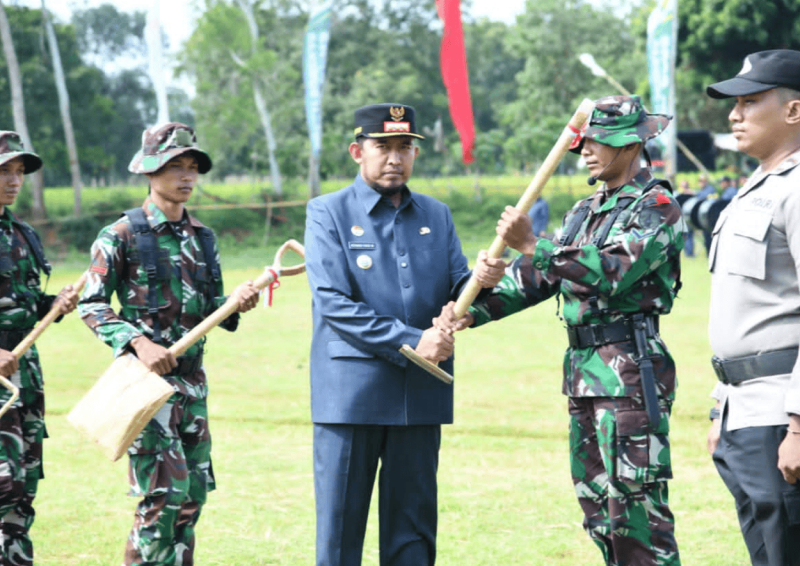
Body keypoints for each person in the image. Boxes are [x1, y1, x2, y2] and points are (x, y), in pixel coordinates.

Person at [436, 95, 685, 566]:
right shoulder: (583, 210)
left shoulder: (656, 206)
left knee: (637, 515)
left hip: (629, 373)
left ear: (632, 144)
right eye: (583, 143)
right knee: (599, 514)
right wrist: (475, 311)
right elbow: (536, 278)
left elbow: (613, 270)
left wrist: (533, 243)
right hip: (584, 375)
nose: (586, 151)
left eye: (598, 142)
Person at [305, 103, 500, 566]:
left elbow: (456, 288)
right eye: (383, 146)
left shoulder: (436, 212)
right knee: (339, 536)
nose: (395, 157)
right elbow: (334, 304)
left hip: (420, 394)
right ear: (358, 151)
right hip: (352, 395)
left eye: (405, 147)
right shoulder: (327, 212)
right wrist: (414, 340)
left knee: (412, 533)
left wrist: (482, 280)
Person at [78, 122, 260, 566]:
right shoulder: (121, 235)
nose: (187, 176)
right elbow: (92, 305)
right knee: (161, 498)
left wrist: (235, 303)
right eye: (175, 165)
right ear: (149, 171)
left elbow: (208, 308)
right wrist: (138, 343)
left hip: (192, 387)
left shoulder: (203, 237)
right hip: (146, 389)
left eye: (192, 166)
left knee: (192, 497)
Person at [705, 49, 800, 566]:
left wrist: (799, 427)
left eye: (750, 100)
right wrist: (723, 403)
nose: (734, 114)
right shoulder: (757, 186)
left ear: (794, 110)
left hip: (781, 415)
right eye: (733, 103)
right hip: (745, 411)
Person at [0, 131, 79, 565]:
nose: (14, 181)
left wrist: (57, 305)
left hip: (25, 377)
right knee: (1, 483)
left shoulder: (23, 234)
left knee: (23, 486)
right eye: (4, 171)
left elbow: (28, 306)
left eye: (18, 172)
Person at [677, 180, 696, 257]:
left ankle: (689, 253)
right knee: (687, 236)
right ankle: (688, 252)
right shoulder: (691, 194)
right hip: (685, 219)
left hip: (688, 219)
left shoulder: (687, 195)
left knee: (688, 236)